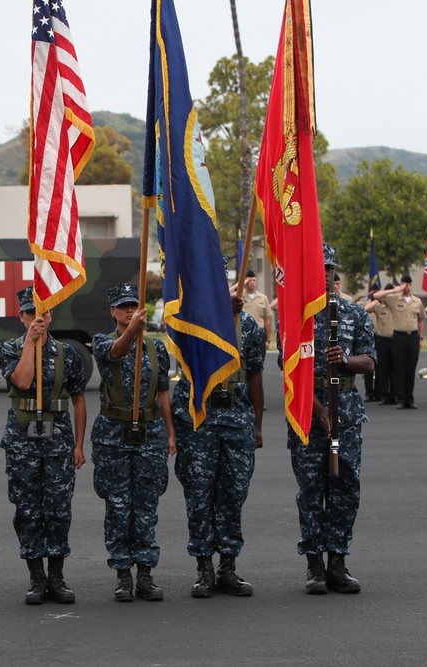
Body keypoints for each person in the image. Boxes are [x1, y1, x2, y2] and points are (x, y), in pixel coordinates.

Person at [285, 243, 375, 595]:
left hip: (347, 414)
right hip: (308, 413)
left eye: (329, 269)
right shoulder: (296, 315)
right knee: (311, 490)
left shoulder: (355, 314)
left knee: (345, 488)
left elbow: (368, 362)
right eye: (317, 269)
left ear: (335, 274)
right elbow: (289, 368)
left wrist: (345, 359)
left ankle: (337, 561)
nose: (324, 275)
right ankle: (314, 566)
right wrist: (319, 411)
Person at [172, 286, 264, 598]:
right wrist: (223, 317)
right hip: (198, 420)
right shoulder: (188, 319)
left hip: (237, 420)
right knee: (199, 495)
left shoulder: (249, 325)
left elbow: (254, 375)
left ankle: (227, 565)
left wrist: (258, 426)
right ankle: (203, 568)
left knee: (233, 494)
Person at [0, 286, 88, 605]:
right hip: (22, 440)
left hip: (59, 440)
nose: (38, 318)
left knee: (59, 509)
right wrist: (30, 344)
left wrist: (79, 445)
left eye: (43, 313)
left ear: (51, 315)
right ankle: (36, 578)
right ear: (21, 317)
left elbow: (79, 400)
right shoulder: (10, 348)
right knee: (27, 510)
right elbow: (22, 381)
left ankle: (57, 576)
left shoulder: (67, 353)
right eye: (30, 313)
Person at [91, 283, 175, 602]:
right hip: (115, 433)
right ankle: (123, 575)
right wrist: (133, 331)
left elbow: (163, 391)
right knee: (118, 506)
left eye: (134, 305)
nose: (129, 310)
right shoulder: (104, 341)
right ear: (113, 311)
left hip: (150, 432)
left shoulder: (157, 347)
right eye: (123, 305)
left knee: (146, 506)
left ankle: (146, 573)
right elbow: (117, 353)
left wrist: (170, 432)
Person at [372, 275, 425, 409]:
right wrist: (395, 290)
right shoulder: (394, 299)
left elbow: (421, 319)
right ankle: (401, 399)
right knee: (400, 368)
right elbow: (377, 296)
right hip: (399, 336)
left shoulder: (417, 301)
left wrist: (421, 337)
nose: (407, 287)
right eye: (405, 284)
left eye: (409, 284)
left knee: (411, 368)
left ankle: (410, 398)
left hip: (412, 336)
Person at [364, 292, 395, 405]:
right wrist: (378, 300)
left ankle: (393, 394)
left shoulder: (395, 307)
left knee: (394, 369)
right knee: (381, 368)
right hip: (377, 338)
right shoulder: (378, 306)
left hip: (394, 339)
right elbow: (367, 308)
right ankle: (380, 394)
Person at [235, 269, 271, 349]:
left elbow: (267, 320)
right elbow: (226, 294)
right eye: (249, 280)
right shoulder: (239, 296)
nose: (252, 282)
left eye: (254, 280)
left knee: (259, 360)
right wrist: (240, 283)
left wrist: (268, 340)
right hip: (244, 334)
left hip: (259, 334)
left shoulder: (263, 298)